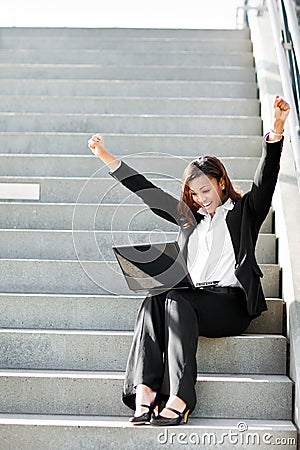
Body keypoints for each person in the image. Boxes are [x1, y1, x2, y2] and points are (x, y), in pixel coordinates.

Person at [88, 96, 290, 426]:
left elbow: (265, 180)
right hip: (191, 301)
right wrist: (106, 156)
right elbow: (148, 193)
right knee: (156, 294)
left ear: (221, 183)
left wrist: (277, 130)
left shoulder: (244, 213)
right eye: (194, 194)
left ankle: (180, 397)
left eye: (206, 191)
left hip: (231, 306)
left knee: (176, 296)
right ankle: (146, 390)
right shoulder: (188, 218)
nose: (201, 200)